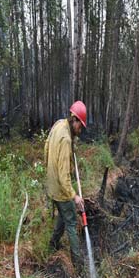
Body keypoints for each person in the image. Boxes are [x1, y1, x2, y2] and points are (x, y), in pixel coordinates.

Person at [44, 100, 87, 268]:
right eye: (80, 126)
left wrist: (49, 171)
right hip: (61, 189)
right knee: (71, 222)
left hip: (52, 184)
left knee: (63, 215)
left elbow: (46, 147)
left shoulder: (58, 124)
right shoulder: (66, 139)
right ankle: (78, 264)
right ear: (74, 119)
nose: (80, 130)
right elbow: (63, 177)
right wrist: (74, 196)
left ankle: (53, 244)